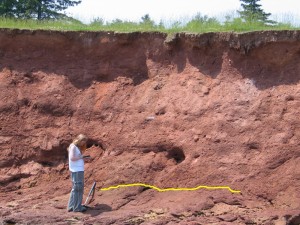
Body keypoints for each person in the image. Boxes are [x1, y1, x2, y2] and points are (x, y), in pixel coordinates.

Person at [67, 134, 90, 212]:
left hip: (77, 170)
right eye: (83, 141)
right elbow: (72, 158)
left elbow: (75, 158)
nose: (83, 143)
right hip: (77, 170)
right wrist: (82, 157)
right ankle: (77, 207)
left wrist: (84, 158)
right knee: (78, 189)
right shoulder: (73, 146)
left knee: (75, 189)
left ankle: (71, 206)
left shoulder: (75, 147)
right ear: (80, 140)